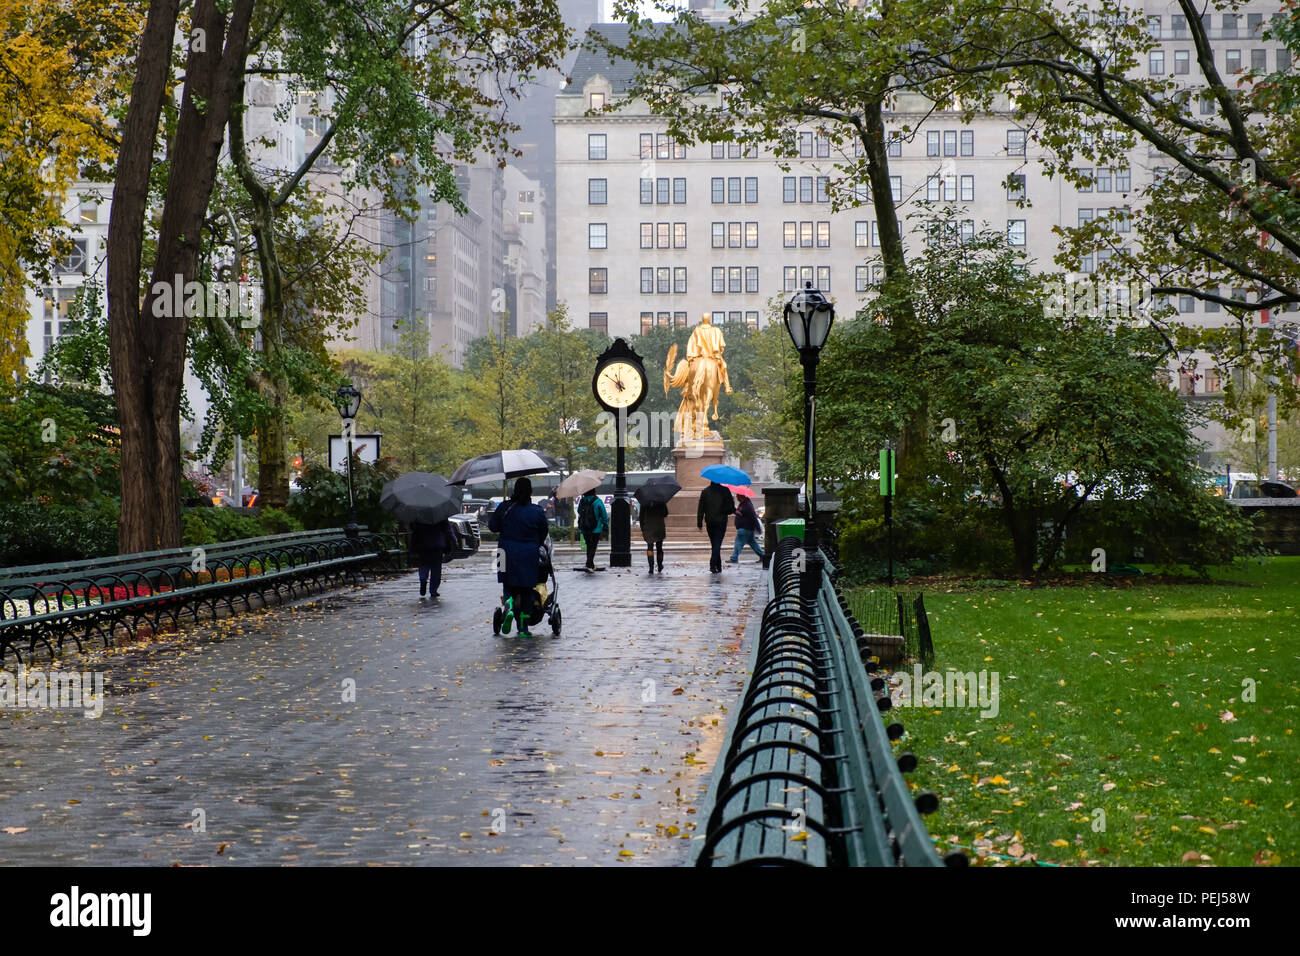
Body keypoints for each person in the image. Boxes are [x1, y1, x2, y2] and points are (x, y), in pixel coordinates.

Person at [488, 477, 549, 637]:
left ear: (515, 490)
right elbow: (544, 532)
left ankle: (508, 603)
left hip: (503, 552)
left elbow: (493, 527)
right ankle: (523, 628)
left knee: (507, 584)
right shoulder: (536, 511)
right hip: (529, 553)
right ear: (530, 491)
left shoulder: (504, 507)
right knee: (527, 590)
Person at [697, 480, 735, 574]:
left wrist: (699, 522)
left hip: (709, 521)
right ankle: (713, 564)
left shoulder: (705, 491)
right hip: (721, 521)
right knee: (717, 544)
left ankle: (718, 566)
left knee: (714, 543)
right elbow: (731, 507)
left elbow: (701, 508)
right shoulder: (725, 490)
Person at [410, 517, 454, 598]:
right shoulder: (440, 515)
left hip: (423, 544)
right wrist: (453, 539)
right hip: (437, 545)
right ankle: (433, 590)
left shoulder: (419, 514)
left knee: (423, 564)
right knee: (436, 568)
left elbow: (413, 528)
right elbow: (447, 529)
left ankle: (423, 580)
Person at [577, 488, 608, 572]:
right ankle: (589, 564)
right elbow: (604, 515)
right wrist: (605, 526)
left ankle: (590, 564)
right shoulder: (598, 501)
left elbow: (579, 511)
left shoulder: (582, 501)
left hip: (584, 528)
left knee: (588, 546)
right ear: (594, 491)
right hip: (596, 528)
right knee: (593, 546)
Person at [728, 495, 765, 565]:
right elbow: (741, 513)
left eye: (738, 496)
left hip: (745, 528)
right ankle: (763, 556)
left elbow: (753, 517)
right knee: (753, 543)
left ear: (742, 496)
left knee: (738, 542)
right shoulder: (743, 504)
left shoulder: (747, 505)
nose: (737, 498)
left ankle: (734, 558)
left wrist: (758, 528)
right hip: (746, 528)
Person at [640, 499, 668, 573]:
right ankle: (659, 565)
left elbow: (641, 516)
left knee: (650, 547)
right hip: (659, 526)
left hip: (648, 526)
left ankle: (651, 567)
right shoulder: (661, 500)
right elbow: (665, 513)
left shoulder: (645, 501)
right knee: (659, 547)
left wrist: (642, 528)